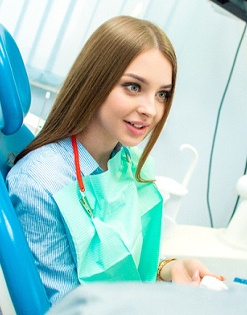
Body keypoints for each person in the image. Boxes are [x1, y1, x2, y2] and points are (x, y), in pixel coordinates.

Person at [47, 77, 247, 315]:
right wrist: (169, 269)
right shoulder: (44, 178)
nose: (150, 110)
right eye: (133, 87)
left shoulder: (131, 167)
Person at [6, 16, 220, 306]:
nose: (150, 109)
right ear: (95, 81)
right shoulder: (40, 181)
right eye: (133, 87)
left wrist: (169, 269)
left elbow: (118, 261)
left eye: (162, 94)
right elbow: (68, 308)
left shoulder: (124, 163)